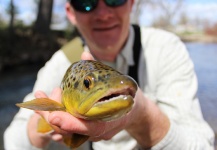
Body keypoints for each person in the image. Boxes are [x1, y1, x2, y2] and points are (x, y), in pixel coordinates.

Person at [4, 0, 215, 150]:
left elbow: (202, 145)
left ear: (131, 3)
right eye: (86, 3)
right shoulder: (61, 62)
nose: (103, 13)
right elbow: (12, 141)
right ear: (71, 13)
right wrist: (44, 126)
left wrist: (141, 114)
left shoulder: (166, 49)